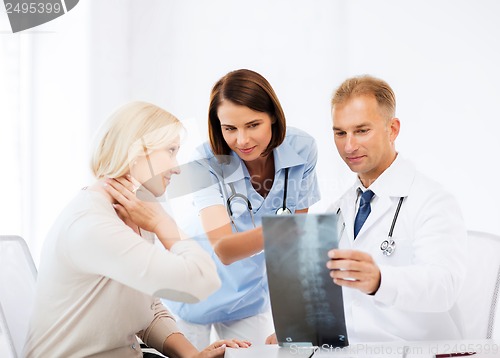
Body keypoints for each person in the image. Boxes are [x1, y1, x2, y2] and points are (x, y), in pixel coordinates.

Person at [24, 101, 250, 358]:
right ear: (135, 152)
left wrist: (192, 355)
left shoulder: (134, 212)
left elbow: (148, 308)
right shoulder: (92, 224)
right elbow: (203, 280)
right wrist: (164, 224)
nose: (176, 167)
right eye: (171, 150)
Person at [161, 69, 321, 348]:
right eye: (230, 129)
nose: (243, 141)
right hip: (192, 290)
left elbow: (291, 252)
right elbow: (223, 249)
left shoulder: (302, 149)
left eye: (253, 125)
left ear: (273, 115)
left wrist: (291, 321)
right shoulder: (204, 160)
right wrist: (290, 230)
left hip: (247, 294)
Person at [325, 75, 468, 341]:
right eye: (340, 133)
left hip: (419, 352)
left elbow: (444, 286)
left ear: (392, 129)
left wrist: (380, 280)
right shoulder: (337, 210)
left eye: (362, 130)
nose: (349, 146)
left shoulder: (433, 200)